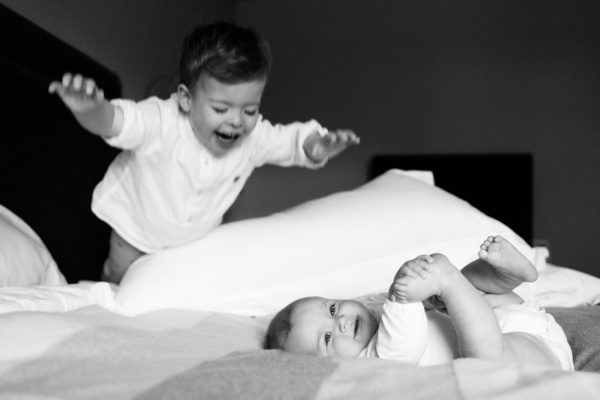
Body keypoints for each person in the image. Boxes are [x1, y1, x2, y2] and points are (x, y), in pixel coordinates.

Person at [48, 21, 360, 284]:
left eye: (250, 109)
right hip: (137, 232)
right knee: (119, 283)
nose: (237, 121)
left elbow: (291, 143)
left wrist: (317, 146)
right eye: (220, 108)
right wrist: (92, 109)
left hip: (192, 242)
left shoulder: (253, 138)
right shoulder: (161, 121)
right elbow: (116, 123)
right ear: (186, 99)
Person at [265, 235, 574, 371]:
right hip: (529, 350)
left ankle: (496, 279)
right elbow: (405, 342)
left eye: (332, 309)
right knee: (487, 359)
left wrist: (422, 285)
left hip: (501, 320)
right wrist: (403, 296)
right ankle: (460, 281)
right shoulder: (370, 362)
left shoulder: (374, 309)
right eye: (328, 338)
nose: (341, 321)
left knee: (445, 301)